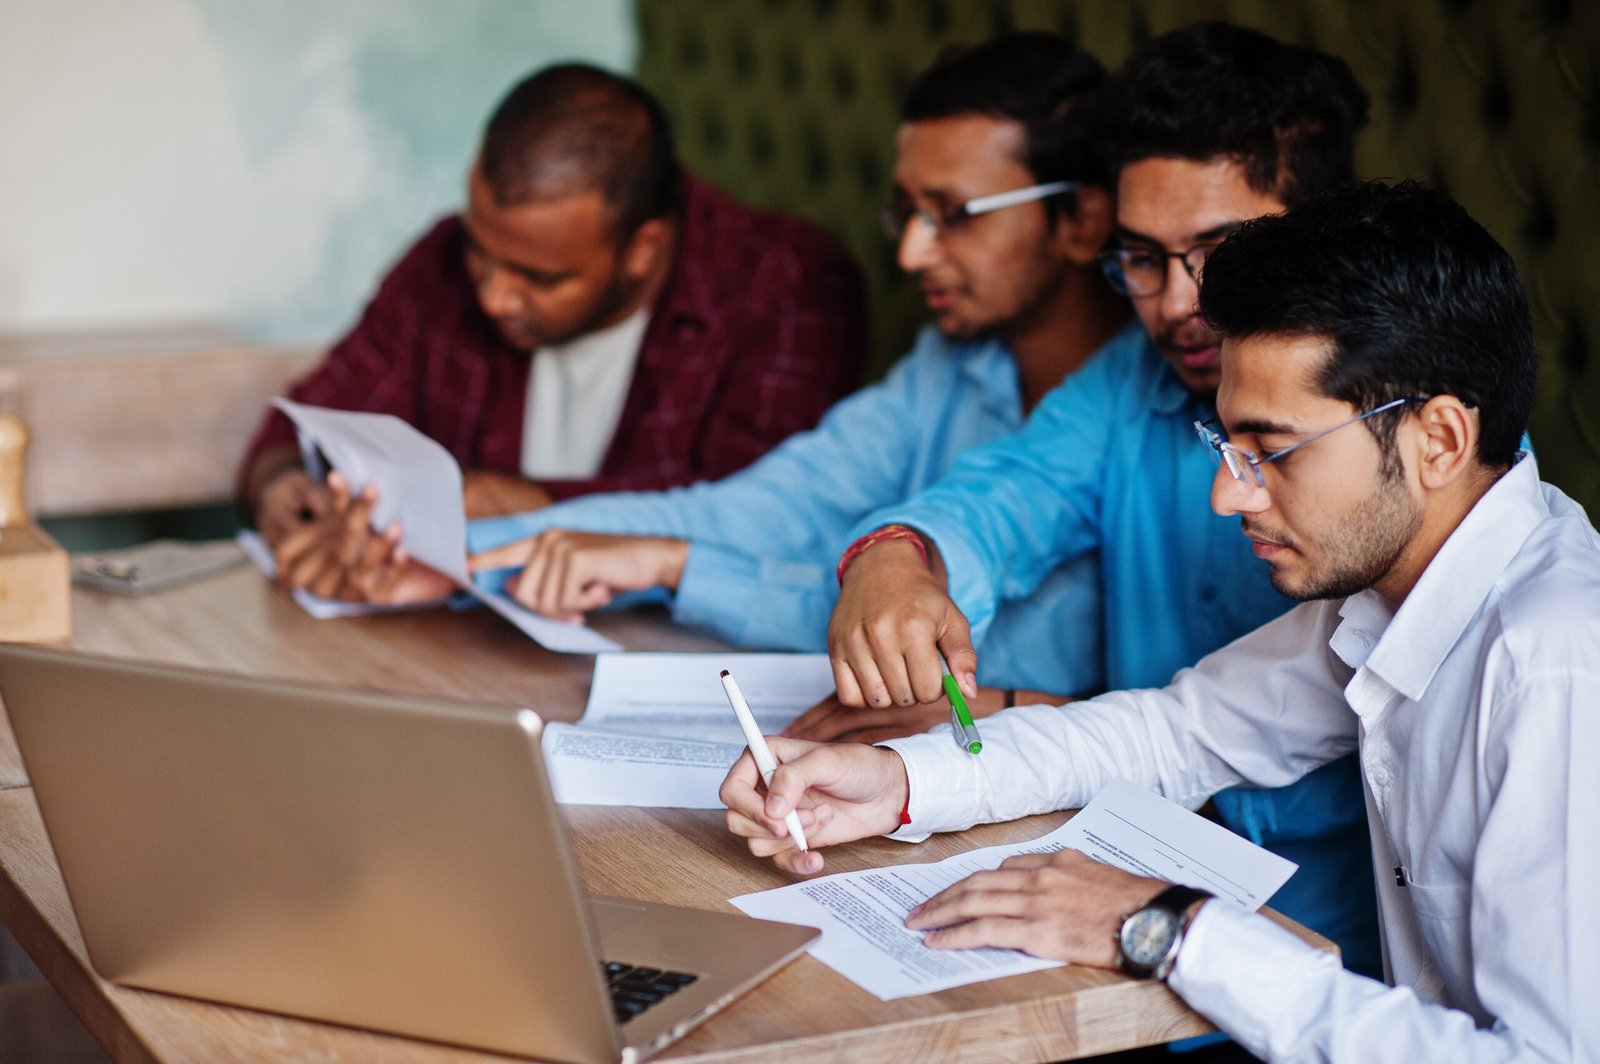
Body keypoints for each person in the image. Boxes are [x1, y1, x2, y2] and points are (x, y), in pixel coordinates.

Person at [723, 179, 1597, 1062]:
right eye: (1227, 447)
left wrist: (1168, 928)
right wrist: (896, 782)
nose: (1228, 494)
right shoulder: (1391, 592)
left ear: (1439, 441)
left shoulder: (1557, 664)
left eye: (1271, 451)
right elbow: (1173, 733)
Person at [814, 22, 1383, 980]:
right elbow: (1004, 495)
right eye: (1144, 259)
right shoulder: (1127, 380)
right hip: (1115, 905)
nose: (1174, 303)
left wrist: (1025, 713)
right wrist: (896, 555)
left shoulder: (1414, 445)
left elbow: (1284, 751)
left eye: (1220, 251)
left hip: (1324, 958)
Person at [354, 33, 1134, 714]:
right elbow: (757, 511)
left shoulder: (1156, 408)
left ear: (1084, 223)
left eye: (955, 214)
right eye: (906, 214)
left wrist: (673, 567)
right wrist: (451, 550)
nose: (911, 255)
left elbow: (908, 642)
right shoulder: (946, 367)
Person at [236, 63, 867, 600]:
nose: (491, 294)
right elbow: (308, 419)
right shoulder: (442, 260)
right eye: (480, 253)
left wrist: (514, 503)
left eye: (538, 277)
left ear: (642, 250)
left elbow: (757, 518)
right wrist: (285, 487)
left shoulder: (786, 288)